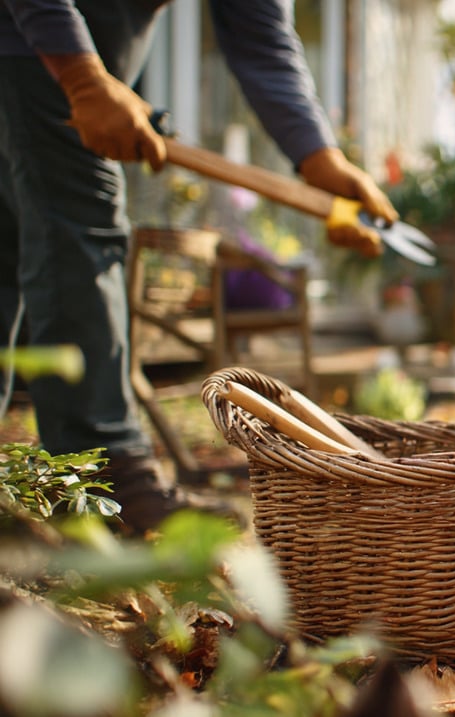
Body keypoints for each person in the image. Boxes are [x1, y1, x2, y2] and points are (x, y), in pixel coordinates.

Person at [0, 0, 396, 533]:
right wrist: (81, 74)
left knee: (11, 246)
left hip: (78, 58)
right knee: (80, 231)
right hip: (33, 43)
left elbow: (259, 35)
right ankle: (104, 481)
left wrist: (317, 155)